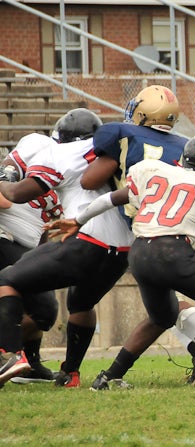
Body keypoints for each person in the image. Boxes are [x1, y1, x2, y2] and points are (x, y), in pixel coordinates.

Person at [47, 134, 195, 389]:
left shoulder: (157, 172)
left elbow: (111, 198)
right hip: (172, 251)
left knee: (162, 316)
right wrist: (194, 267)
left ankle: (109, 376)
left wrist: (78, 220)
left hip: (139, 253)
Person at [0, 109, 134, 388]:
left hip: (87, 242)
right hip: (122, 251)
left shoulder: (58, 152)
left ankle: (10, 356)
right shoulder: (113, 153)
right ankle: (70, 374)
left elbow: (18, 193)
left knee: (8, 280)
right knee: (82, 304)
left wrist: (4, 182)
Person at [0, 133, 63, 385]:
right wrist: (7, 184)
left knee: (45, 311)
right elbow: (5, 198)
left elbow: (47, 227)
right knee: (40, 301)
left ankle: (31, 363)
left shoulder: (63, 179)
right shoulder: (35, 152)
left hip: (27, 246)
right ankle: (8, 355)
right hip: (4, 238)